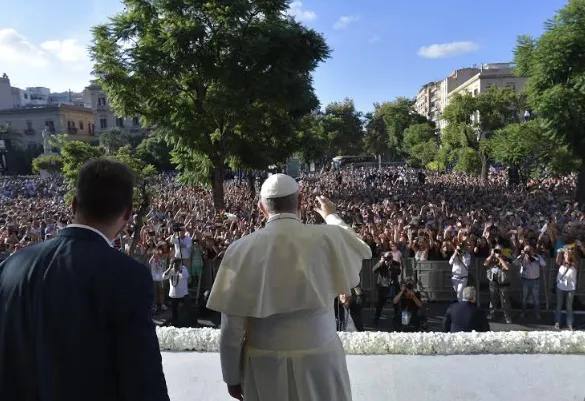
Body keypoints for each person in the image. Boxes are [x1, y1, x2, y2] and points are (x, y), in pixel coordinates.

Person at [0, 159, 169, 401]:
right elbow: (142, 377)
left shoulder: (11, 265)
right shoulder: (127, 275)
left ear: (74, 203)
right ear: (128, 213)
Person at [206, 173, 372, 401]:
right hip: (321, 361)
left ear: (261, 208)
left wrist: (231, 377)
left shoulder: (240, 249)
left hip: (265, 366)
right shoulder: (326, 237)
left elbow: (232, 331)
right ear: (301, 202)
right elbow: (359, 246)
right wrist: (331, 215)